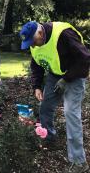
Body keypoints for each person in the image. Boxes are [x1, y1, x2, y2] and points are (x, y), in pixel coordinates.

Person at [20, 21, 90, 173]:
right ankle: (49, 137)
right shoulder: (35, 45)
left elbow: (84, 59)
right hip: (54, 75)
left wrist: (66, 79)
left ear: (39, 33)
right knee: (45, 107)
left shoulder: (64, 34)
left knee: (70, 113)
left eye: (33, 42)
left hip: (75, 76)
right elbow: (37, 65)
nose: (33, 46)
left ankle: (79, 162)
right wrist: (37, 86)